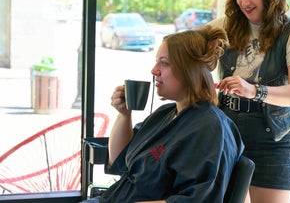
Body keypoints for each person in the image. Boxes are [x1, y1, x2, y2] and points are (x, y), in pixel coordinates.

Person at [86, 25, 244, 203]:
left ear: (189, 70)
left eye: (164, 63)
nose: (154, 70)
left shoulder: (209, 129)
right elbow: (119, 161)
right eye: (156, 61)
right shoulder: (166, 114)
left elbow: (195, 200)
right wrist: (124, 114)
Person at [208, 0, 290, 203]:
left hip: (274, 142)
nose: (245, 2)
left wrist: (254, 90)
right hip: (229, 135)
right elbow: (182, 49)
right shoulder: (223, 27)